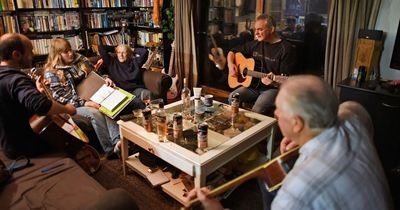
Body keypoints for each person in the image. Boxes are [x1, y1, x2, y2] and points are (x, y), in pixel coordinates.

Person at [187, 75, 393, 210]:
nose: (275, 113)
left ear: (297, 123)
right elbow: (349, 106)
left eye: (278, 110)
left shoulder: (295, 195)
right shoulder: (353, 119)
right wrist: (303, 139)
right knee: (269, 173)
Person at [0, 33, 76, 159]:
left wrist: (37, 91)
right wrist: (68, 109)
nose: (33, 55)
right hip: (27, 147)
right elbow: (41, 105)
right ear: (16, 55)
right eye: (30, 51)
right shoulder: (15, 79)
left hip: (9, 145)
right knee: (73, 128)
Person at [43, 38, 120, 158]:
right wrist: (85, 103)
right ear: (58, 55)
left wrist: (105, 78)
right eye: (66, 52)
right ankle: (109, 150)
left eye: (70, 50)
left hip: (93, 96)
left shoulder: (80, 60)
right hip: (70, 105)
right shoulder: (52, 72)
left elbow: (95, 74)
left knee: (107, 105)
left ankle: (118, 142)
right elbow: (60, 96)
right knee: (95, 112)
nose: (71, 53)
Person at [227, 14, 296, 116]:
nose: (256, 33)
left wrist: (274, 83)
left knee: (257, 111)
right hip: (253, 86)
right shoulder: (256, 44)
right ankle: (238, 124)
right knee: (232, 97)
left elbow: (287, 82)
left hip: (271, 89)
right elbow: (232, 52)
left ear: (271, 29)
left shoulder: (286, 49)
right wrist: (230, 65)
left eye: (260, 29)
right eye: (255, 29)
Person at [98, 44, 151, 111]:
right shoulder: (111, 62)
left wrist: (130, 49)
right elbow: (101, 47)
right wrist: (116, 48)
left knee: (148, 94)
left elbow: (145, 52)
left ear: (128, 53)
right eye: (119, 52)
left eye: (124, 52)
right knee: (137, 102)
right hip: (121, 92)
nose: (121, 55)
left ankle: (152, 112)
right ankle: (145, 111)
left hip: (135, 90)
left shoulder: (135, 62)